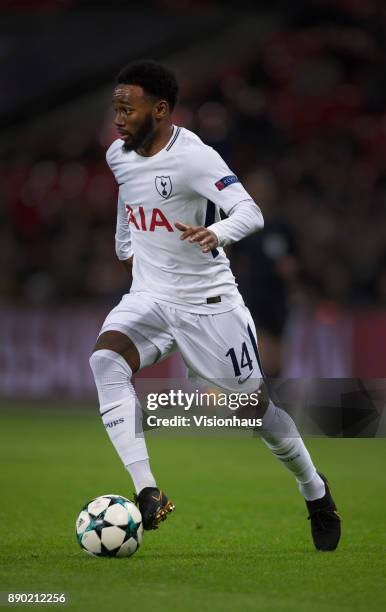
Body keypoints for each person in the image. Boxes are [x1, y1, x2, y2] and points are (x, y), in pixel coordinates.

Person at [89, 60, 341, 550]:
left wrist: (216, 232)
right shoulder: (118, 155)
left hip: (209, 305)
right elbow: (128, 199)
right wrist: (125, 248)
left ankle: (314, 490)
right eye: (115, 107)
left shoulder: (195, 158)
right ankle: (147, 492)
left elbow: (250, 211)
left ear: (160, 110)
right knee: (105, 360)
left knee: (257, 413)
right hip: (150, 297)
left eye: (128, 108)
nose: (118, 118)